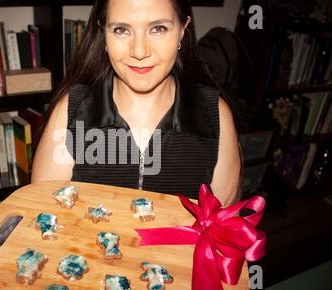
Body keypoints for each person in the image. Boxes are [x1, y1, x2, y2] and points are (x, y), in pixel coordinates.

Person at [32, 0, 241, 206]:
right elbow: (40, 212)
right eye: (121, 30)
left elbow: (226, 224)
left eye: (158, 29)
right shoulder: (72, 109)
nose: (139, 52)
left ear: (183, 30)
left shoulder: (216, 114)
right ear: (103, 32)